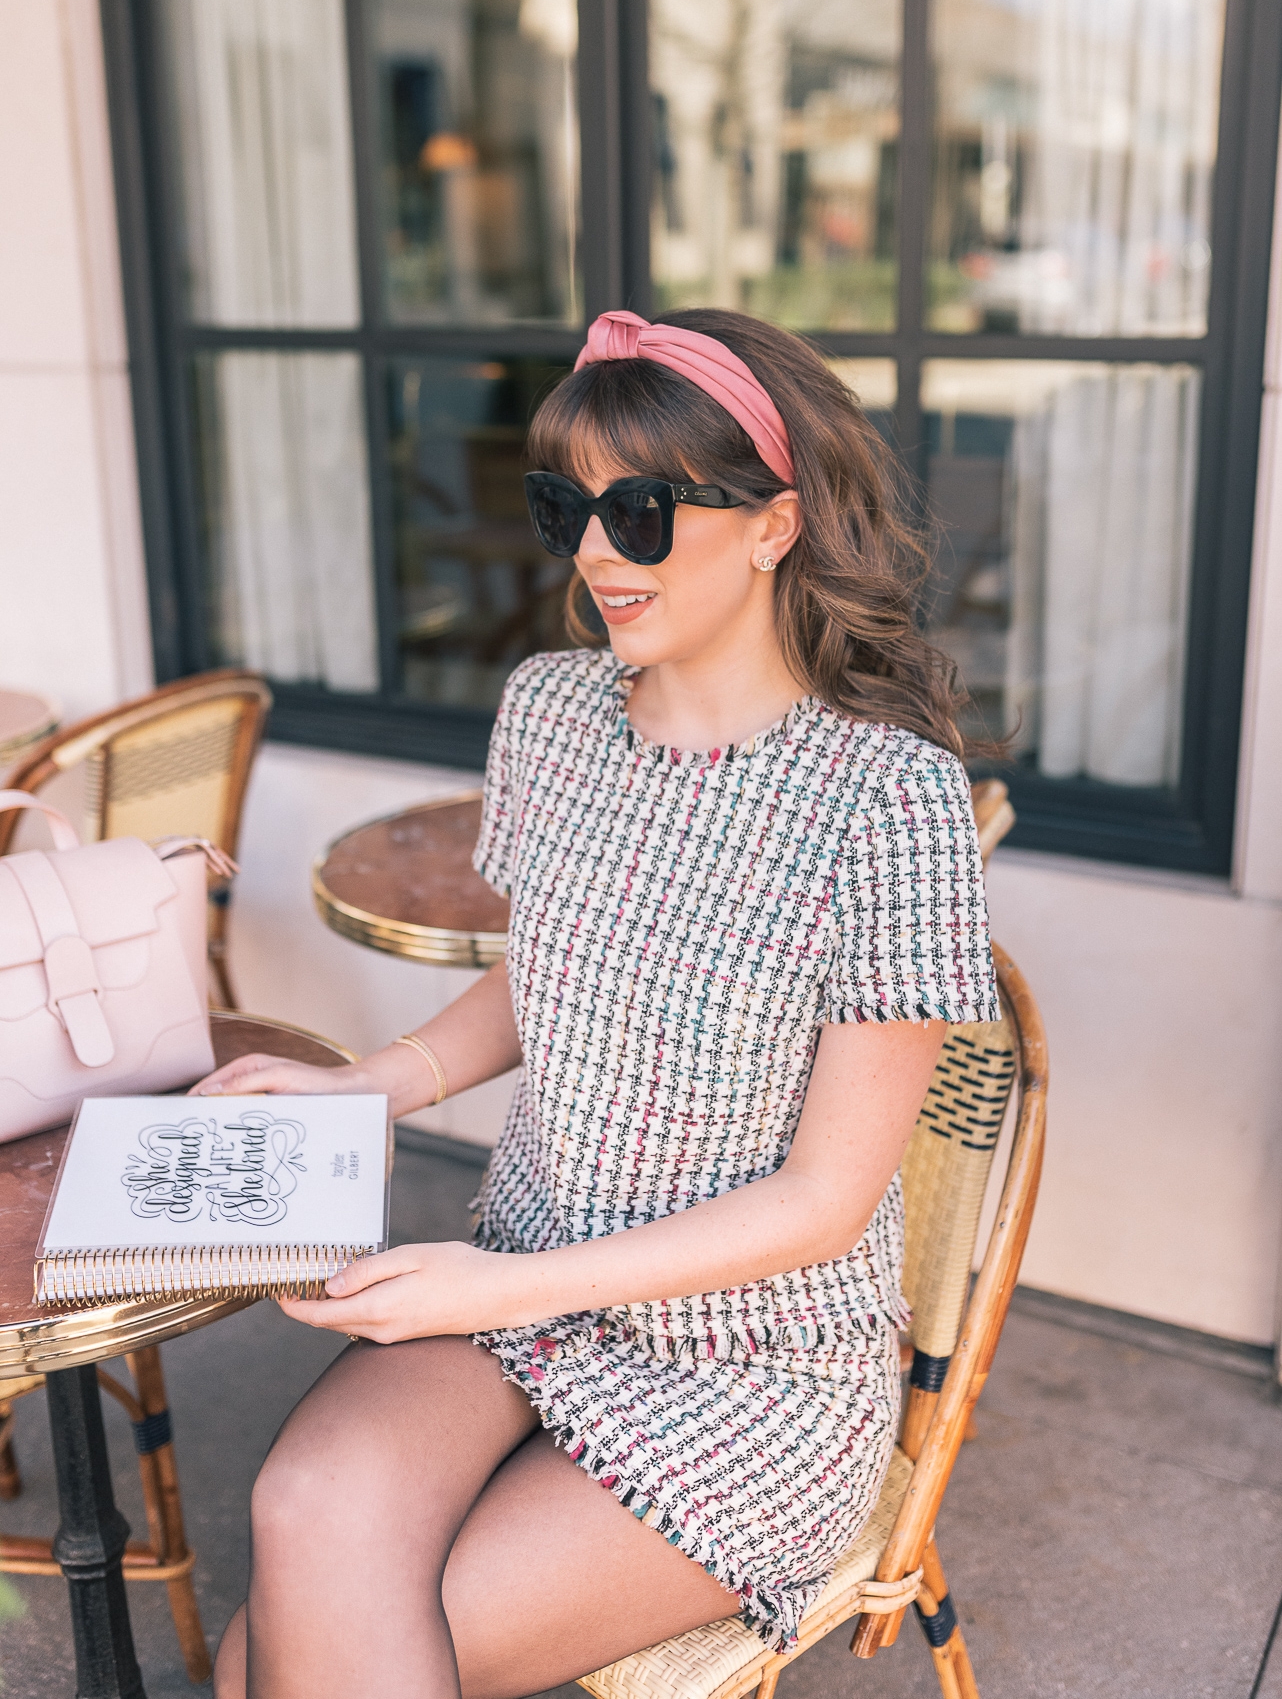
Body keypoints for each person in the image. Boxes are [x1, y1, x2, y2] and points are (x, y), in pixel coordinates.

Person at [194, 307, 999, 1699]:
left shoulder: (889, 798)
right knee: (296, 1541)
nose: (592, 554)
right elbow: (545, 971)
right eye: (565, 508)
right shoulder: (552, 712)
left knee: (309, 1657)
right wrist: (367, 1084)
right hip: (529, 1269)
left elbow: (822, 1203)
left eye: (640, 512)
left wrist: (491, 1286)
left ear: (774, 524)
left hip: (755, 1362)